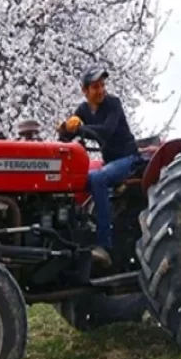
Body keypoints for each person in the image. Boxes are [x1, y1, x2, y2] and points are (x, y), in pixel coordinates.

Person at [58, 67, 143, 268]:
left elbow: (105, 132)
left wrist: (80, 128)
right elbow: (67, 137)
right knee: (77, 179)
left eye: (103, 85)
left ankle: (104, 245)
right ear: (85, 91)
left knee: (98, 179)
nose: (101, 90)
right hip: (110, 162)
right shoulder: (83, 110)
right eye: (96, 87)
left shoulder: (113, 104)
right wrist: (65, 129)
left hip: (128, 159)